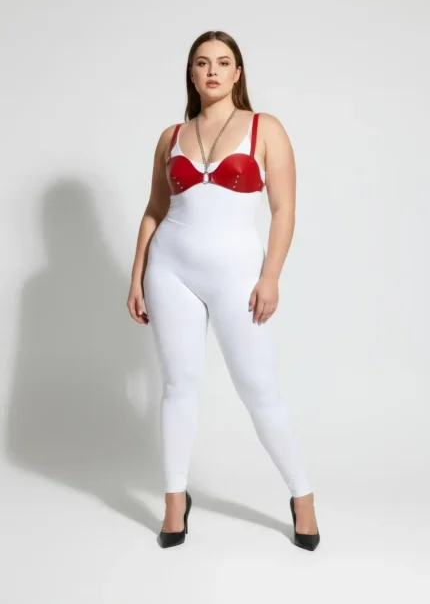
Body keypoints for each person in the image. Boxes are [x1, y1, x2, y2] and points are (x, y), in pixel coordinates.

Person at [127, 30, 320, 551]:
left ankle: (302, 496)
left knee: (258, 389)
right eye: (202, 62)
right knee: (178, 385)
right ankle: (174, 501)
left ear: (238, 73)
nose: (212, 70)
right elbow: (155, 210)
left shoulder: (265, 127)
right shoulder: (171, 136)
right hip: (169, 271)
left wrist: (271, 275)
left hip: (239, 275)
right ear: (191, 74)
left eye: (223, 62)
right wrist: (137, 274)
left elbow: (284, 209)